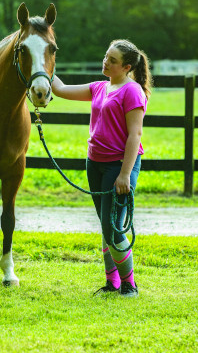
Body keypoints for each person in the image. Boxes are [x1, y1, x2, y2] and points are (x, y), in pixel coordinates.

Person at [52, 39, 152, 297]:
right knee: (105, 225)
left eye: (112, 61)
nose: (105, 62)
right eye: (106, 56)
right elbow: (61, 89)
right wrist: (43, 67)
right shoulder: (99, 87)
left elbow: (135, 135)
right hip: (94, 164)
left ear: (127, 66)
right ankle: (112, 282)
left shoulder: (132, 92)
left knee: (112, 227)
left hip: (118, 166)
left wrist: (125, 174)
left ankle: (130, 284)